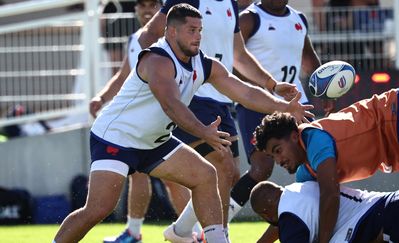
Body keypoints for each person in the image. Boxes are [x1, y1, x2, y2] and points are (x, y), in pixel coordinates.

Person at [53, 4, 313, 243]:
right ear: (171, 31)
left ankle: (208, 239)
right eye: (191, 30)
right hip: (116, 138)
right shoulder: (157, 60)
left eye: (200, 30)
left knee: (206, 175)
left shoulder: (203, 63)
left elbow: (244, 92)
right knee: (99, 208)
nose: (198, 36)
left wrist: (284, 106)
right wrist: (203, 132)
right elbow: (172, 106)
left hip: (154, 142)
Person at [137, 1, 303, 241]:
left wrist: (272, 84)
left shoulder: (230, 4)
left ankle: (181, 231)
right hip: (193, 95)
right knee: (222, 168)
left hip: (221, 100)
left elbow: (239, 55)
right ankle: (217, 237)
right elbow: (147, 36)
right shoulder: (188, 2)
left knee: (229, 175)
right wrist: (168, 74)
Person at [254, 83, 399, 243]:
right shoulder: (305, 173)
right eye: (272, 156)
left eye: (278, 150)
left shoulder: (313, 139)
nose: (278, 161)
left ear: (294, 136)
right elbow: (289, 211)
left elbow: (330, 195)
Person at [90, 1, 192, 242]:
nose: (146, 9)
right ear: (135, 9)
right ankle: (134, 232)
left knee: (179, 178)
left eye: (152, 4)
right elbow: (123, 75)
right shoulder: (136, 38)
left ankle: (192, 232)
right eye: (141, 5)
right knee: (137, 175)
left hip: (169, 119)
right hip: (139, 125)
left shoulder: (173, 39)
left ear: (161, 7)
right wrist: (102, 97)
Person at [229, 0, 335, 219]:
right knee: (262, 168)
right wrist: (254, 89)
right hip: (257, 103)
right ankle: (220, 223)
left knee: (313, 155)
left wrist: (324, 89)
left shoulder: (299, 19)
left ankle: (314, 215)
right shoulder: (249, 18)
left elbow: (308, 57)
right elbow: (234, 61)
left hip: (294, 104)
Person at [250, 180, 399, 243]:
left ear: (266, 214)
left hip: (396, 219)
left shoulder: (289, 222)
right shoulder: (300, 187)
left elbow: (287, 224)